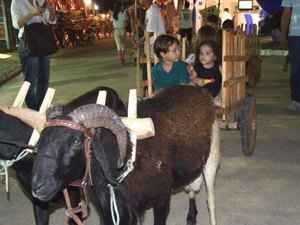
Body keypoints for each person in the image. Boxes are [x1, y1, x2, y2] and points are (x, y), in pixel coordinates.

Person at [11, 0, 56, 110]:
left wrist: (50, 10)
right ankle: (32, 109)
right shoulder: (17, 2)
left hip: (42, 41)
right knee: (31, 80)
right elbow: (16, 24)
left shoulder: (39, 1)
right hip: (28, 43)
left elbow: (52, 20)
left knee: (44, 77)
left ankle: (41, 107)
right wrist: (31, 13)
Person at [281, 0, 300, 112]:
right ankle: (296, 100)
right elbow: (286, 14)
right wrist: (283, 35)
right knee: (296, 70)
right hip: (295, 36)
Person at [190, 40, 222, 106]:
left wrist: (228, 75)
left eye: (207, 53)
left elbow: (226, 77)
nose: (203, 56)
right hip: (201, 93)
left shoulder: (218, 66)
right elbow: (190, 78)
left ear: (215, 56)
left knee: (224, 85)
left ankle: (218, 98)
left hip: (216, 92)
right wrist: (196, 80)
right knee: (190, 84)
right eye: (201, 53)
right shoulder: (197, 67)